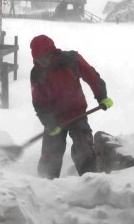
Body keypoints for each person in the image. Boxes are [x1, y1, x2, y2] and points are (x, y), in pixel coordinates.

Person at [29, 34, 113, 179]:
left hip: (77, 114)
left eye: (44, 58)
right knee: (50, 155)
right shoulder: (37, 72)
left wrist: (102, 97)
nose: (42, 62)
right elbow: (39, 102)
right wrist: (49, 122)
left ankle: (90, 183)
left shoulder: (71, 60)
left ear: (52, 53)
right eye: (38, 60)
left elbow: (91, 75)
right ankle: (44, 186)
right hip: (54, 118)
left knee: (84, 150)